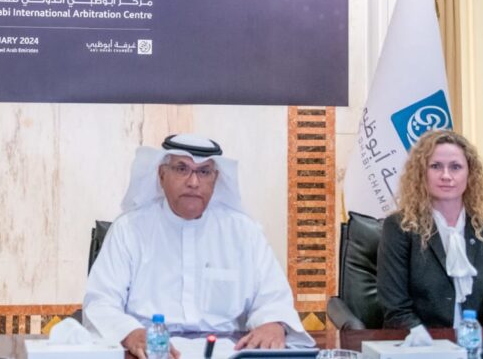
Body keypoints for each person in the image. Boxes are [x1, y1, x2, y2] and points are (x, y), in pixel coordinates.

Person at [83, 134, 314, 358]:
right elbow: (101, 303)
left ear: (216, 178)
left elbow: (273, 297)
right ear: (161, 174)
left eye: (204, 172)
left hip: (227, 352)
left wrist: (273, 323)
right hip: (151, 352)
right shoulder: (129, 230)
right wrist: (131, 333)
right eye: (181, 169)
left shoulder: (244, 232)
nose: (193, 182)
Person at [376, 129, 483, 328]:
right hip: (419, 342)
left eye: (455, 167)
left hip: (481, 343)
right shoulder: (399, 227)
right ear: (421, 173)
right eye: (435, 166)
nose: (446, 175)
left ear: (470, 173)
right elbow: (397, 311)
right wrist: (433, 344)